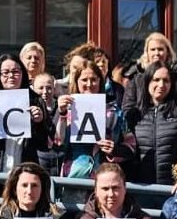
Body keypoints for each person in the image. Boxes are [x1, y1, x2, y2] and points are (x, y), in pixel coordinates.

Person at [53, 61, 135, 192]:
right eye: (84, 80)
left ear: (100, 82)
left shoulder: (114, 112)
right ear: (76, 82)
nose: (89, 84)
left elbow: (131, 146)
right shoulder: (66, 109)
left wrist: (115, 150)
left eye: (93, 80)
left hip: (105, 181)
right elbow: (56, 143)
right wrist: (61, 113)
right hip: (73, 178)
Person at [128, 61, 177, 187]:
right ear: (147, 82)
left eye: (166, 80)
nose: (161, 85)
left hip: (172, 188)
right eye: (156, 79)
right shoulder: (134, 115)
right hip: (139, 188)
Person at [121, 32, 177, 128]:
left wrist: (173, 121)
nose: (156, 53)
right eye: (153, 49)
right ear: (147, 52)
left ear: (167, 51)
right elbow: (128, 106)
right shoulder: (137, 75)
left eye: (160, 49)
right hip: (142, 129)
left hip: (172, 129)